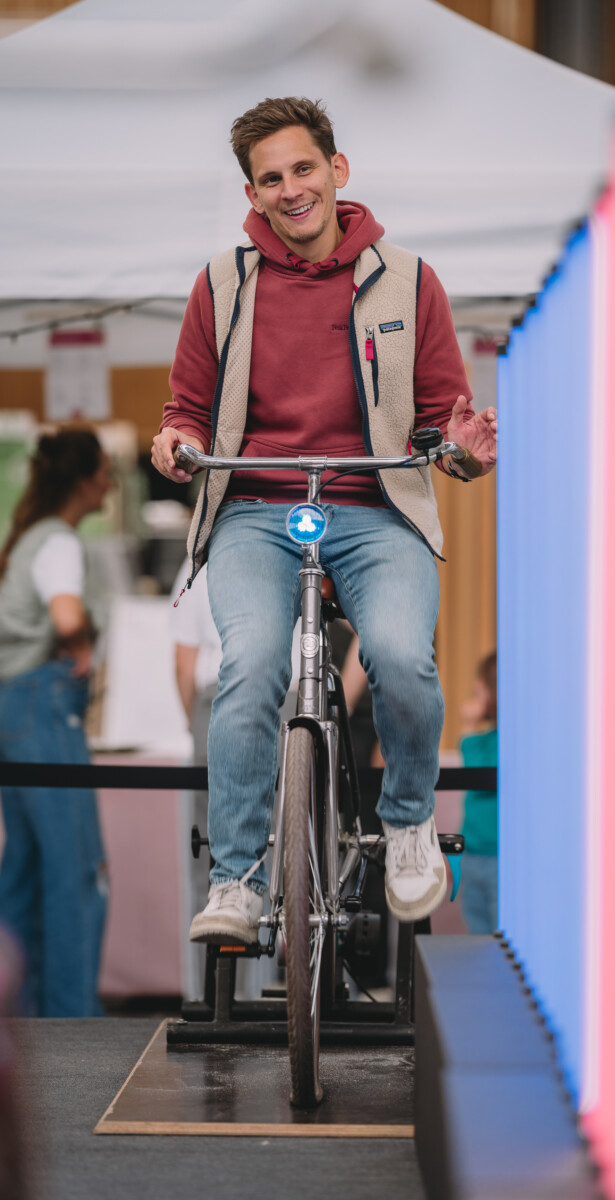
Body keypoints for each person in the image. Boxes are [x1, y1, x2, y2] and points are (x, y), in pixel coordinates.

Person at [151, 96, 497, 943]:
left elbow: (432, 424)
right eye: (270, 178)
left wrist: (455, 448)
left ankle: (409, 823)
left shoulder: (407, 279)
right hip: (256, 509)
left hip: (374, 507)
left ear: (336, 171)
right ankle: (236, 882)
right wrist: (175, 439)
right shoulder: (222, 284)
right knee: (251, 668)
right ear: (253, 193)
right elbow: (187, 408)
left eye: (303, 168)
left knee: (401, 661)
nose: (290, 188)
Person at [0, 428, 112, 1015]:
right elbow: (66, 615)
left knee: (21, 872)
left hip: (11, 707)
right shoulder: (59, 542)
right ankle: (74, 1025)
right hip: (46, 708)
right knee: (75, 872)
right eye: (105, 470)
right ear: (84, 478)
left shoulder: (24, 539)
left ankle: (14, 1016)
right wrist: (85, 647)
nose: (112, 482)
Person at [458, 652, 498, 935]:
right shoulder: (484, 740)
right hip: (472, 856)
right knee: (479, 936)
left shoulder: (507, 740)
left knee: (499, 939)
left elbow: (480, 776)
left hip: (498, 859)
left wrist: (468, 726)